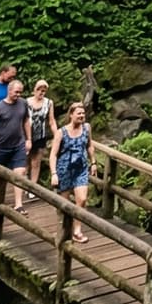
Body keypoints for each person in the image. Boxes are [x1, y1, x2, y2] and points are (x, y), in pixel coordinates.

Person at [0, 79, 30, 208]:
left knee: (19, 173)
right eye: (16, 92)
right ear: (9, 91)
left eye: (20, 92)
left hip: (18, 145)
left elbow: (26, 121)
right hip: (1, 147)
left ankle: (19, 205)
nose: (18, 95)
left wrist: (28, 139)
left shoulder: (23, 104)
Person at [53, 104, 93, 242]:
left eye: (83, 113)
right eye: (78, 114)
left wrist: (93, 162)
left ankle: (77, 230)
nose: (81, 116)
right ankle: (63, 230)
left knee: (81, 200)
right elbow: (53, 154)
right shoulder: (61, 132)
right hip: (64, 170)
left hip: (81, 169)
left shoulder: (87, 128)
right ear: (71, 115)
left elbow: (89, 145)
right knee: (63, 205)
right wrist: (53, 173)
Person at [21, 80, 58, 210]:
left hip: (40, 136)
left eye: (44, 90)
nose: (41, 92)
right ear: (34, 90)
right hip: (25, 135)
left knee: (36, 162)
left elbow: (51, 121)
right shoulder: (26, 102)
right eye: (39, 89)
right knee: (24, 162)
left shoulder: (49, 103)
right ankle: (23, 184)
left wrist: (57, 135)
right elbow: (21, 118)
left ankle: (32, 188)